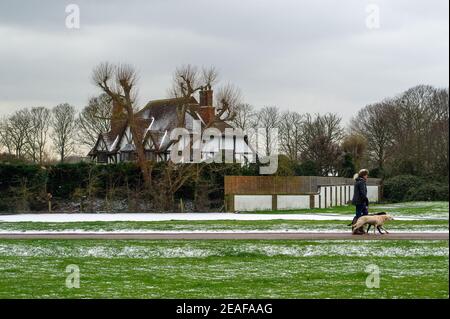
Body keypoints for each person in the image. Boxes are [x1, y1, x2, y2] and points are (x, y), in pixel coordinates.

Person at [351, 169, 370, 234]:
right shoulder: (361, 182)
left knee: (365, 214)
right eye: (366, 175)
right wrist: (366, 200)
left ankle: (361, 228)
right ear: (363, 175)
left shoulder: (360, 181)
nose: (367, 176)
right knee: (359, 215)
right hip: (360, 201)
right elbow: (362, 193)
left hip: (360, 201)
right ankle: (356, 229)